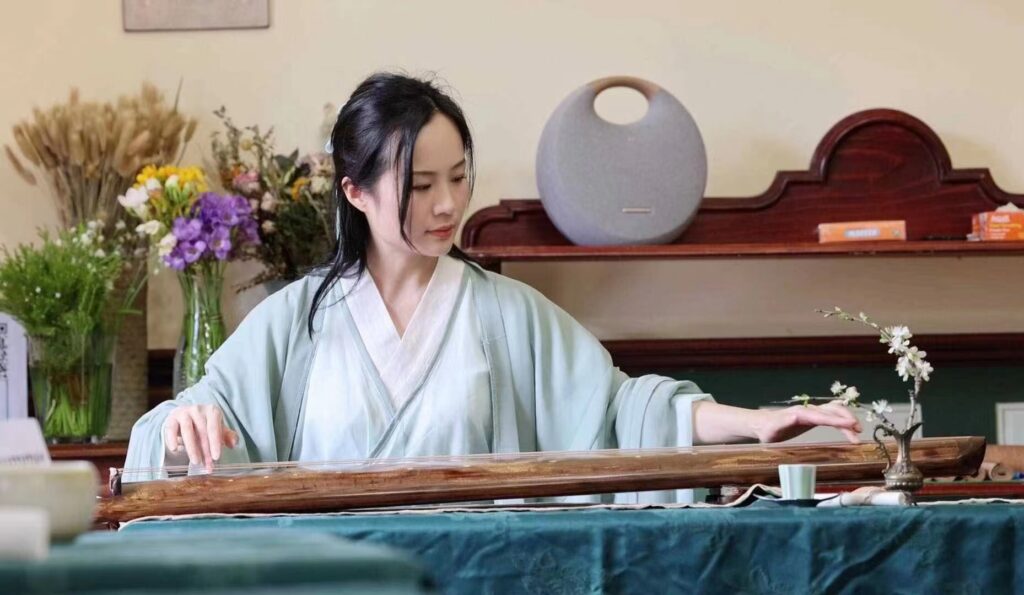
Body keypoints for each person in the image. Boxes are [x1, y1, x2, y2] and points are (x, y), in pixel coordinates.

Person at [126, 72, 860, 502]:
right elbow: (183, 431)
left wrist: (753, 422)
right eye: (419, 185)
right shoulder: (294, 322)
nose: (448, 204)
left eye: (457, 177)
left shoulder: (508, 315)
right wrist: (184, 429)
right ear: (353, 192)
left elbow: (620, 412)